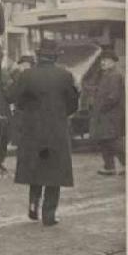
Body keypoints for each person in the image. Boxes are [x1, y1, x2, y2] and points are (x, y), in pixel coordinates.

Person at [8, 39, 79, 226]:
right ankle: (49, 215)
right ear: (55, 56)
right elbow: (73, 104)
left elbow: (12, 97)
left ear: (38, 56)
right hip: (56, 130)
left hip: (33, 130)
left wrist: (27, 110)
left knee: (35, 169)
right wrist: (60, 115)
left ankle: (33, 206)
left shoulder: (27, 75)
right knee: (54, 173)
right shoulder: (65, 75)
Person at [90, 47, 125, 175]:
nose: (103, 63)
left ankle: (124, 163)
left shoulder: (115, 75)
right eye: (102, 60)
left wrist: (101, 108)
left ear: (113, 62)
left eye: (107, 60)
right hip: (104, 115)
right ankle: (109, 167)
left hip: (111, 115)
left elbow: (113, 97)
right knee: (104, 140)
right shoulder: (105, 75)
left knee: (113, 141)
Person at [0, 54, 35, 169]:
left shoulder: (18, 75)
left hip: (22, 112)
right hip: (31, 113)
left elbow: (11, 95)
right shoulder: (21, 74)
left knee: (20, 138)